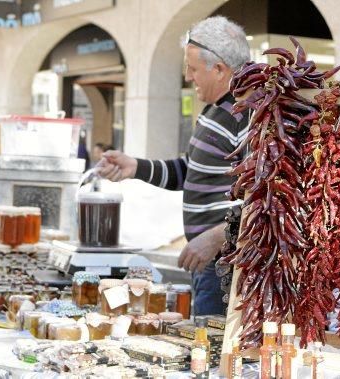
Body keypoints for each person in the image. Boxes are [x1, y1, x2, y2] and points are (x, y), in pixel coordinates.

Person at [96, 16, 250, 316]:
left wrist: (217, 237)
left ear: (219, 69)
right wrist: (135, 168)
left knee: (215, 358)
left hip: (226, 266)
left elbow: (271, 197)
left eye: (192, 69)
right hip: (208, 264)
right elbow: (190, 170)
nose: (188, 77)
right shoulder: (214, 112)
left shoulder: (247, 115)